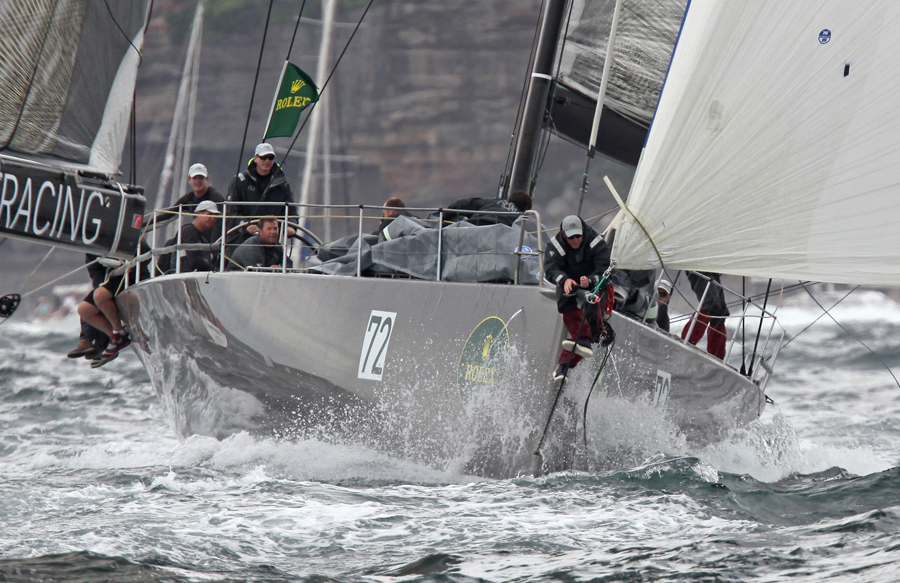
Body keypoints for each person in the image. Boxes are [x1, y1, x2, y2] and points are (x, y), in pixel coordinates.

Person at [544, 214, 611, 384]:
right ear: (563, 234)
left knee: (593, 321)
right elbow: (550, 268)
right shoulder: (555, 245)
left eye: (578, 236)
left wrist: (590, 281)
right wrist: (564, 280)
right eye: (571, 237)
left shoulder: (596, 243)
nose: (575, 240)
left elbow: (604, 269)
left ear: (583, 232)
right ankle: (578, 345)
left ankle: (563, 367)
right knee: (567, 302)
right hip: (569, 281)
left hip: (592, 283)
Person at [76, 247, 149, 368]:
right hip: (109, 282)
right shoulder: (92, 245)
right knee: (84, 310)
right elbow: (95, 274)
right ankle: (115, 337)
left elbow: (146, 252)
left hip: (132, 278)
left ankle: (110, 337)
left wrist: (132, 264)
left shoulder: (125, 237)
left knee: (100, 295)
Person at [226, 143, 294, 245]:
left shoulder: (282, 184)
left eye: (270, 158)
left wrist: (291, 225)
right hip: (242, 241)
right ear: (256, 158)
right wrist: (246, 226)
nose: (267, 161)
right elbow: (231, 212)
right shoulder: (240, 181)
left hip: (272, 243)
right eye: (263, 157)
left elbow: (292, 212)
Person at [66, 255, 111, 360]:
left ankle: (99, 343)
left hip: (123, 278)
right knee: (87, 308)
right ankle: (90, 343)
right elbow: (96, 276)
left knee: (92, 305)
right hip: (107, 282)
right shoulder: (92, 253)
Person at [682, 271, 729, 359]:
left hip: (711, 270)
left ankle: (717, 357)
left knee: (721, 312)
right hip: (698, 267)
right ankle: (687, 342)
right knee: (710, 304)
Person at [170, 200, 221, 272]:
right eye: (210, 214)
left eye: (215, 216)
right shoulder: (188, 231)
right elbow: (194, 260)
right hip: (186, 277)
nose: (213, 218)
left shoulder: (203, 236)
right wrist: (214, 270)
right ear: (199, 213)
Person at [441, 190, 532, 226]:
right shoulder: (521, 219)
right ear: (526, 208)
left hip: (470, 227)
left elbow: (464, 203)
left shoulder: (493, 201)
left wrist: (444, 216)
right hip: (493, 240)